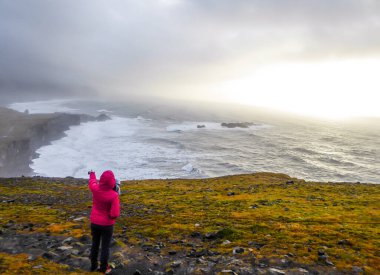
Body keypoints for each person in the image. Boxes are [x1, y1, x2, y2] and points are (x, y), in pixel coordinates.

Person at [88, 170, 120, 273]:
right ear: (112, 182)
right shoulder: (114, 195)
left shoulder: (95, 189)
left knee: (95, 244)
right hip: (107, 225)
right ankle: (103, 268)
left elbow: (92, 182)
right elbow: (115, 214)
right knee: (105, 247)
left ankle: (93, 266)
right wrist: (109, 217)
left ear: (101, 180)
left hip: (95, 222)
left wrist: (92, 174)